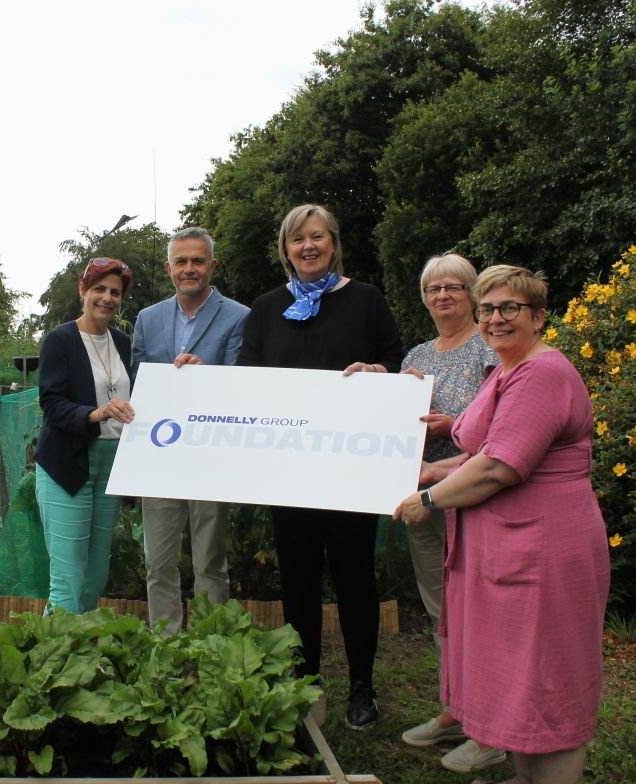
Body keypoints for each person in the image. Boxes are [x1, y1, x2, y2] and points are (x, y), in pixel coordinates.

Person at [394, 265, 610, 784]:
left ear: (538, 316)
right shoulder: (507, 370)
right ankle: (523, 783)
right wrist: (433, 471)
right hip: (509, 547)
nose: (495, 318)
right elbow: (479, 452)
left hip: (543, 550)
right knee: (519, 670)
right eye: (489, 308)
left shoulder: (542, 374)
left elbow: (500, 468)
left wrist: (426, 499)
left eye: (509, 308)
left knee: (548, 676)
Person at [237, 203, 402, 729]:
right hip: (289, 472)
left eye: (317, 237)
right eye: (296, 240)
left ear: (334, 242)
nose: (308, 247)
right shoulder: (265, 307)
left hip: (351, 470)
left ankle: (361, 687)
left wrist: (379, 371)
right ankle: (304, 680)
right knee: (299, 581)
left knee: (355, 579)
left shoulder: (365, 299)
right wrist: (196, 377)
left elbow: (397, 364)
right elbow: (245, 377)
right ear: (285, 250)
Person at [397, 254, 505, 773]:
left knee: (480, 609)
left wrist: (451, 425)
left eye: (454, 287)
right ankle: (455, 711)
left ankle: (492, 725)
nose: (443, 296)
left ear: (472, 294)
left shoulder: (492, 347)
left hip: (475, 495)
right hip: (422, 496)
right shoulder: (418, 353)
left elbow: (506, 421)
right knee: (440, 609)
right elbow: (396, 422)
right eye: (434, 288)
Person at [131, 227, 250, 635]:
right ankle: (166, 645)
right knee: (158, 561)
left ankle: (210, 643)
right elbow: (138, 384)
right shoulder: (147, 319)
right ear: (169, 268)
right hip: (159, 455)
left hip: (209, 455)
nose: (189, 269)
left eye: (198, 261)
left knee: (209, 560)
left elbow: (243, 383)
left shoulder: (238, 316)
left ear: (212, 266)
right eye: (181, 261)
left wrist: (208, 378)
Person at [34, 257, 136, 614]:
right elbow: (52, 404)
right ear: (83, 290)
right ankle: (57, 662)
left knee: (95, 574)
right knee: (68, 577)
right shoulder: (60, 340)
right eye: (99, 289)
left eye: (115, 292)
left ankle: (85, 654)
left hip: (110, 466)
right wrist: (96, 414)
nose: (107, 298)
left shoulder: (122, 343)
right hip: (68, 463)